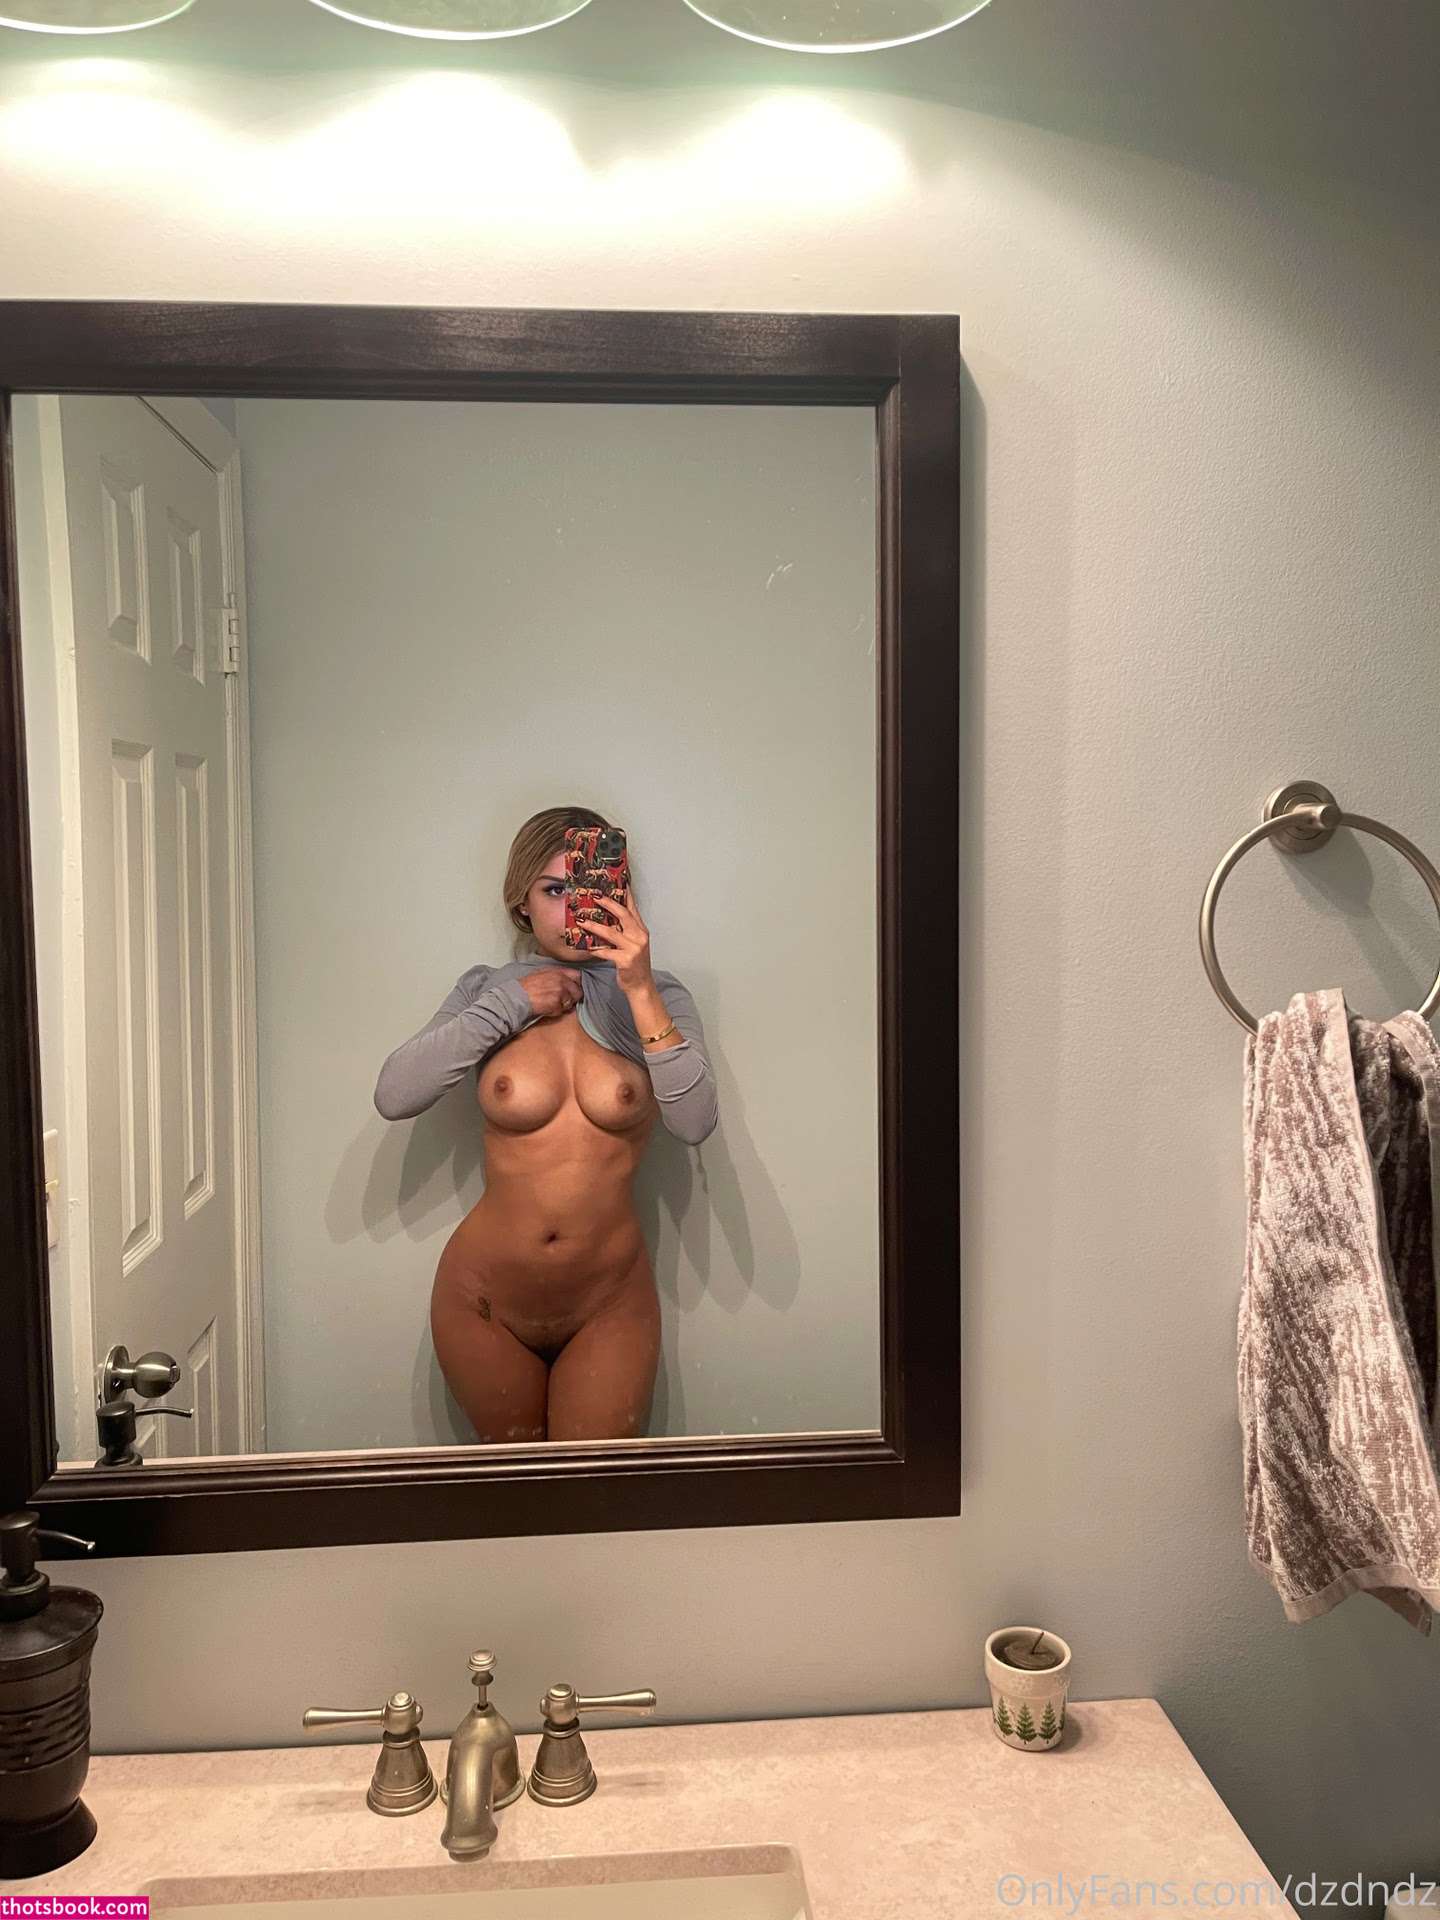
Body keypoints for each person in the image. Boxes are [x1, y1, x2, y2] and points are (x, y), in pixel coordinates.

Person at [374, 806, 718, 1442]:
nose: (572, 908)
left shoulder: (658, 996)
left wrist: (639, 988)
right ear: (521, 903)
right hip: (484, 1298)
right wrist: (512, 1002)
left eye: (589, 888)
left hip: (608, 1299)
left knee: (593, 1489)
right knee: (512, 1489)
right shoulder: (486, 989)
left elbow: (694, 1122)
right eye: (553, 890)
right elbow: (395, 1094)